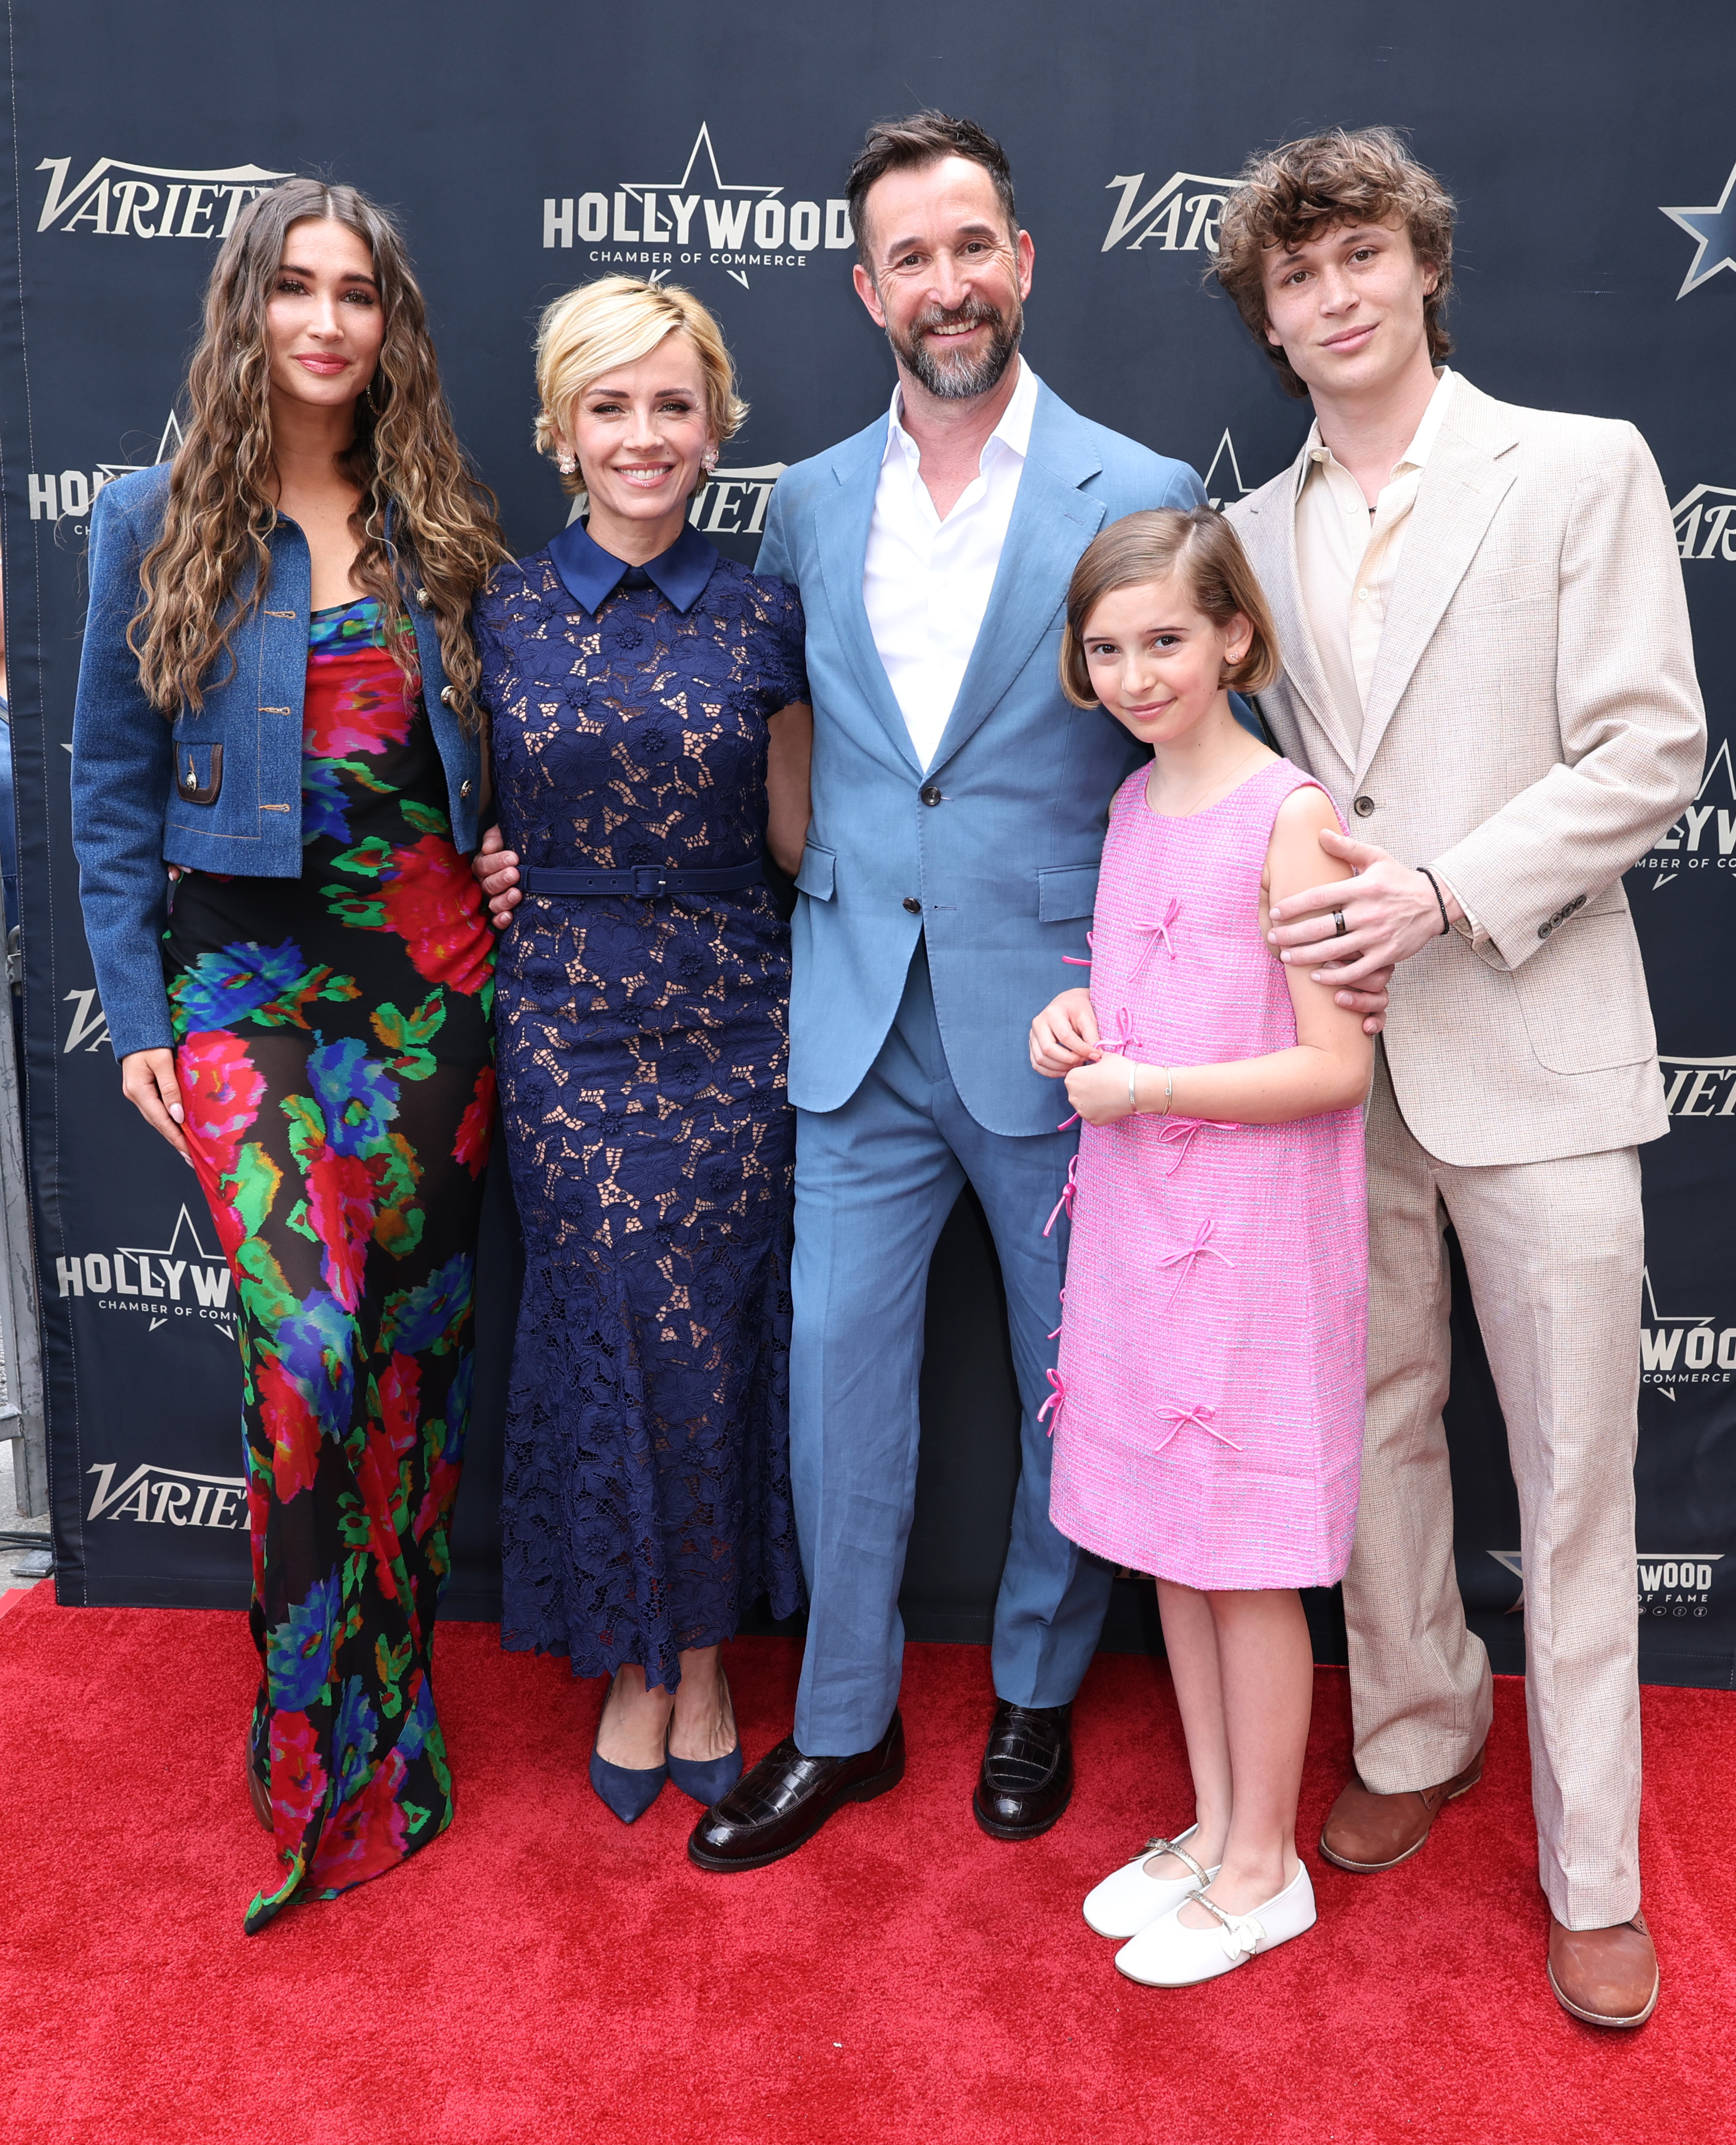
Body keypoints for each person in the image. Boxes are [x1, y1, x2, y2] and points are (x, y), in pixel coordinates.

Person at [474, 115, 1386, 1867]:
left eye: (972, 245)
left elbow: (1206, 738)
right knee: (833, 1377)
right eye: (909, 256)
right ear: (866, 287)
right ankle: (843, 1718)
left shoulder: (1128, 488)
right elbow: (782, 762)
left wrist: (1310, 881)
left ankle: (1038, 1690)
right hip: (841, 1013)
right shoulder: (804, 503)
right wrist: (534, 862)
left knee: (1077, 1377)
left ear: (1023, 261)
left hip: (1065, 1022)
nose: (945, 282)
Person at [1213, 128, 1704, 2027]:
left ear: (1420, 267)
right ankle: (1410, 1728)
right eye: (1293, 277)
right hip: (1335, 1059)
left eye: (1357, 260)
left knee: (1577, 1472)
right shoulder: (1244, 535)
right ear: (1265, 317)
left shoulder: (1575, 466)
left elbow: (1646, 749)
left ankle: (1592, 1866)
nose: (1330, 296)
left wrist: (1440, 888)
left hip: (1532, 1033)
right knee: (1371, 1429)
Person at [70, 180, 504, 1932]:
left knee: (407, 1364)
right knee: (308, 1358)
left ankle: (395, 1713)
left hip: (428, 987)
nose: (327, 324)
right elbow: (105, 793)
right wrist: (142, 1015)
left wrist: (513, 857)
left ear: (391, 327)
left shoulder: (440, 526)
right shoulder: (148, 517)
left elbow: (488, 760)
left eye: (359, 297)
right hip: (246, 989)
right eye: (296, 292)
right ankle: (309, 1736)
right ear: (246, 308)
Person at [470, 277, 810, 1823]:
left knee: (711, 1331)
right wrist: (484, 858)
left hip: (736, 1016)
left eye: (672, 404)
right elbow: (455, 812)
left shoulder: (766, 613)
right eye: (609, 405)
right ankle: (631, 1658)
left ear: (717, 423)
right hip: (564, 1020)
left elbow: (803, 836)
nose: (644, 434)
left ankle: (705, 1652)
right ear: (559, 428)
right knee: (606, 1314)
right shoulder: (497, 610)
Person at [1030, 507, 1370, 1987]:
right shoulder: (1126, 809)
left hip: (1254, 1242)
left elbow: (1335, 1065)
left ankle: (1266, 1863)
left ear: (1235, 635)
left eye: (1165, 639)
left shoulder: (1289, 815)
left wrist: (1156, 1085)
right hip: (1138, 1221)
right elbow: (1133, 1007)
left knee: (1244, 1558)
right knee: (1172, 1545)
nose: (1135, 673)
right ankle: (1216, 1818)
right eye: (1107, 649)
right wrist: (1074, 1025)